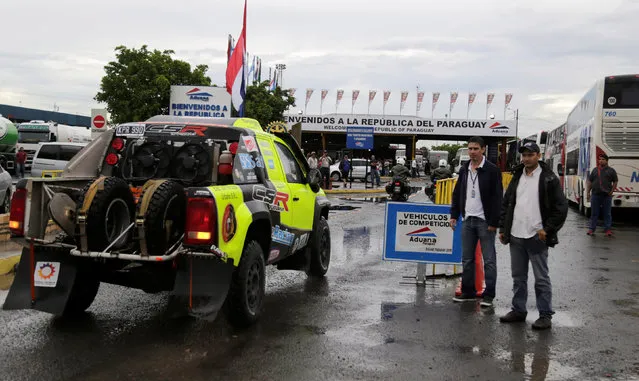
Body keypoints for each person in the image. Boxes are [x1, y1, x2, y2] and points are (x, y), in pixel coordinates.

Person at [498, 142, 568, 330]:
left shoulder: (548, 178)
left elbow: (561, 208)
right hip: (516, 235)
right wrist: (503, 229)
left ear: (538, 155)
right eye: (524, 155)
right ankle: (518, 310)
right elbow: (507, 203)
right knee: (518, 277)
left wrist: (548, 229)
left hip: (537, 237)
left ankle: (545, 315)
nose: (526, 158)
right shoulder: (517, 176)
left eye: (530, 155)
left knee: (541, 278)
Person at [450, 136, 503, 307]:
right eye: (470, 149)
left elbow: (497, 198)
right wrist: (454, 215)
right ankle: (468, 292)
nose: (472, 152)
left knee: (489, 259)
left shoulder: (492, 170)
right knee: (467, 259)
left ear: (483, 149)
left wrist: (494, 221)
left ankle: (489, 295)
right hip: (468, 220)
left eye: (475, 149)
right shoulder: (464, 169)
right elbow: (458, 193)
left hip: (485, 221)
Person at [586, 153, 618, 237]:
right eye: (599, 159)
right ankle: (591, 229)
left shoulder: (611, 170)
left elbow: (615, 181)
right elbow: (590, 181)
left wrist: (612, 191)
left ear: (607, 161)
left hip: (606, 196)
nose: (601, 161)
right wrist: (588, 193)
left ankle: (607, 230)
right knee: (594, 213)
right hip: (595, 195)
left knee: (607, 213)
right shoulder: (595, 170)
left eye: (603, 159)